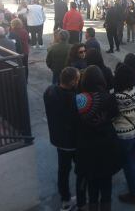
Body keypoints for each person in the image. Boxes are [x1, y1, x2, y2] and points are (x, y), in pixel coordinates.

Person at [74, 66, 122, 211]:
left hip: (86, 149)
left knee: (92, 185)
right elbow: (115, 115)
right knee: (106, 185)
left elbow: (74, 122)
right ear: (100, 79)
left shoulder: (78, 100)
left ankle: (92, 207)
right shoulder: (109, 98)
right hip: (106, 147)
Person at [43, 67, 80, 211]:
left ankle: (65, 200)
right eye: (77, 79)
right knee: (81, 169)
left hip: (59, 140)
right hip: (73, 141)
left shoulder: (50, 91)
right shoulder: (73, 99)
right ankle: (80, 198)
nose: (79, 81)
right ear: (72, 82)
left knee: (63, 171)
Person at [112, 63, 135, 204]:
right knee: (131, 159)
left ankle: (134, 193)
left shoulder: (118, 96)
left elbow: (112, 115)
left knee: (127, 163)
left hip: (124, 134)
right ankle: (133, 184)